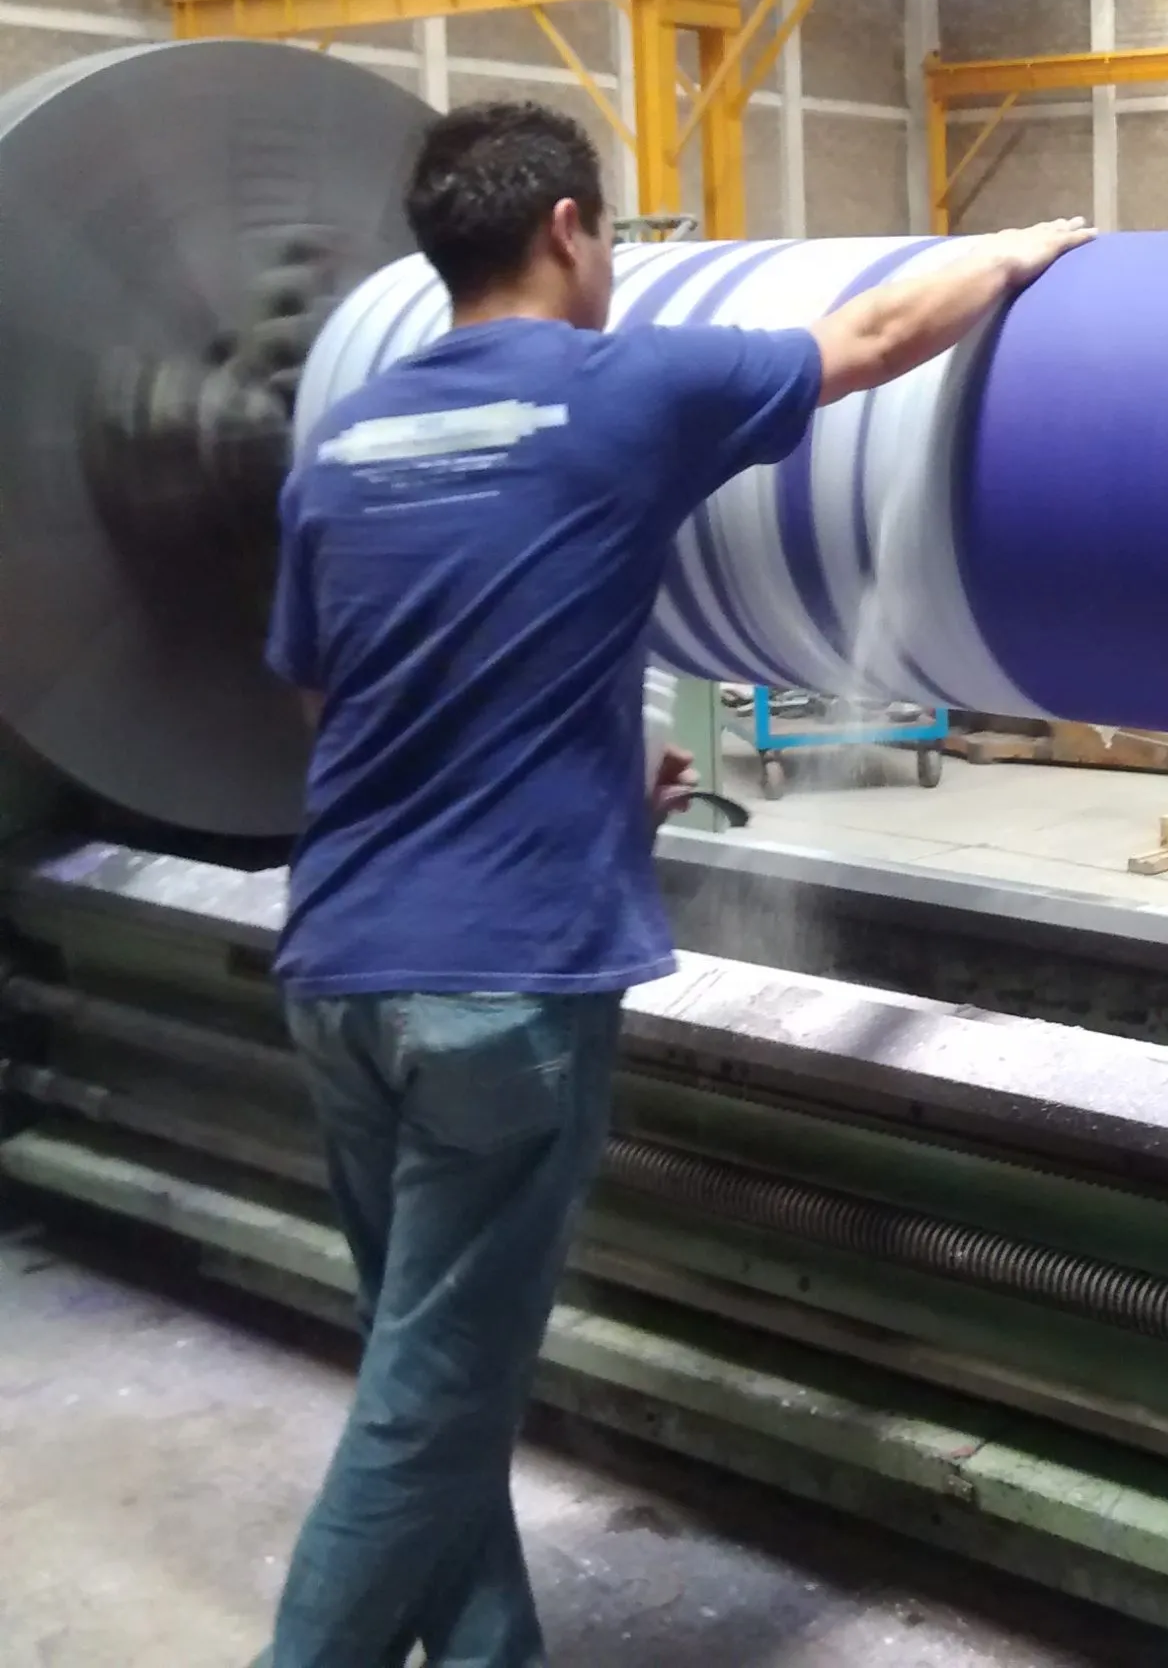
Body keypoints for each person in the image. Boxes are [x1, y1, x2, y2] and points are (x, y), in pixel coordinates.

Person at [258, 99, 1090, 1668]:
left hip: (341, 968)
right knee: (432, 1401)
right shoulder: (621, 388)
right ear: (569, 230)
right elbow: (869, 340)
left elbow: (336, 706)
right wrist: (1017, 250)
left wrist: (583, 779)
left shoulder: (344, 445)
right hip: (503, 991)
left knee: (426, 1370)